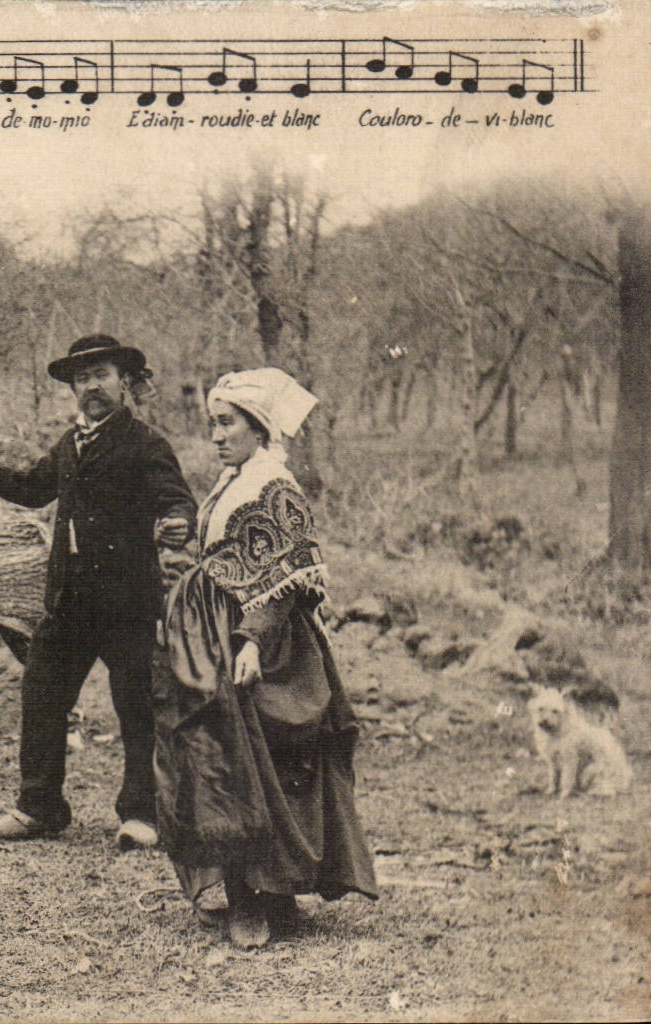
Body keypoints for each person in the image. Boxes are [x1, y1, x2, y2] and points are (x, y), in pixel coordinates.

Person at [153, 367, 378, 949]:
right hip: (210, 635)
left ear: (258, 427)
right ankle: (242, 896)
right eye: (212, 425)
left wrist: (252, 639)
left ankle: (272, 896)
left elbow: (294, 576)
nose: (216, 435)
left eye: (227, 423)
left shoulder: (273, 483)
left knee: (269, 765)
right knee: (221, 764)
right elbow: (225, 558)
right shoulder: (234, 479)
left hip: (262, 642)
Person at [0, 335, 196, 848]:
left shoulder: (147, 443)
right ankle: (39, 806)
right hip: (69, 601)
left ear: (124, 382)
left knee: (136, 707)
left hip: (127, 601)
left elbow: (178, 500)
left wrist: (176, 522)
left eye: (100, 375)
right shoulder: (70, 443)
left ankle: (140, 815)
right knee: (42, 693)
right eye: (81, 379)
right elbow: (31, 489)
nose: (90, 387)